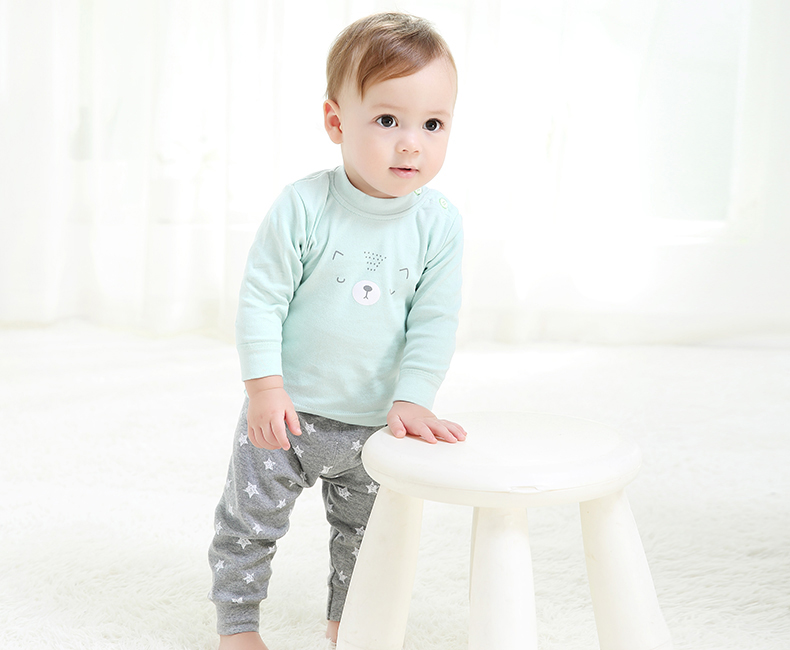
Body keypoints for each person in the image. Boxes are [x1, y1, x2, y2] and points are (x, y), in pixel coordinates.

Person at [208, 12, 465, 650]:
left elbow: (433, 320)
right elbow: (261, 300)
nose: (412, 144)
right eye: (388, 120)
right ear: (336, 122)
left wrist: (414, 399)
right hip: (287, 414)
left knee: (368, 537)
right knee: (248, 521)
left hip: (374, 425)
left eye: (433, 124)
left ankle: (346, 624)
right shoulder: (304, 206)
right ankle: (238, 625)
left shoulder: (438, 223)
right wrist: (265, 388)